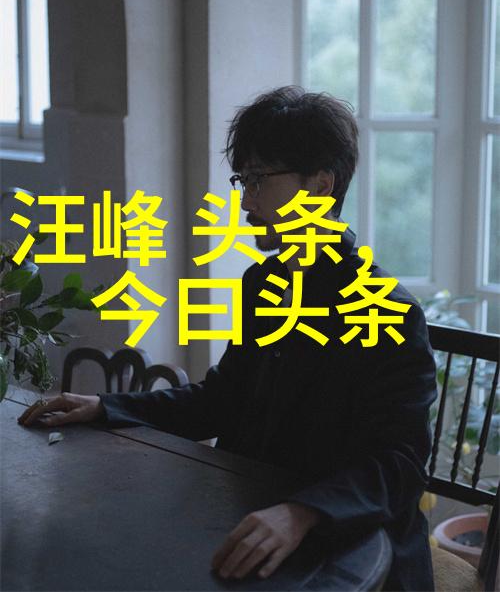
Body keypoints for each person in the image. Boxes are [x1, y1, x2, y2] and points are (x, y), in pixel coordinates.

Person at [19, 86, 437, 590]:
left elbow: (399, 463)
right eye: (244, 179)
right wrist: (105, 406)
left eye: (259, 179)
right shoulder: (264, 284)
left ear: (321, 186)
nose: (245, 200)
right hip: (256, 515)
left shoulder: (386, 308)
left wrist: (302, 511)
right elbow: (221, 400)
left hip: (353, 545)